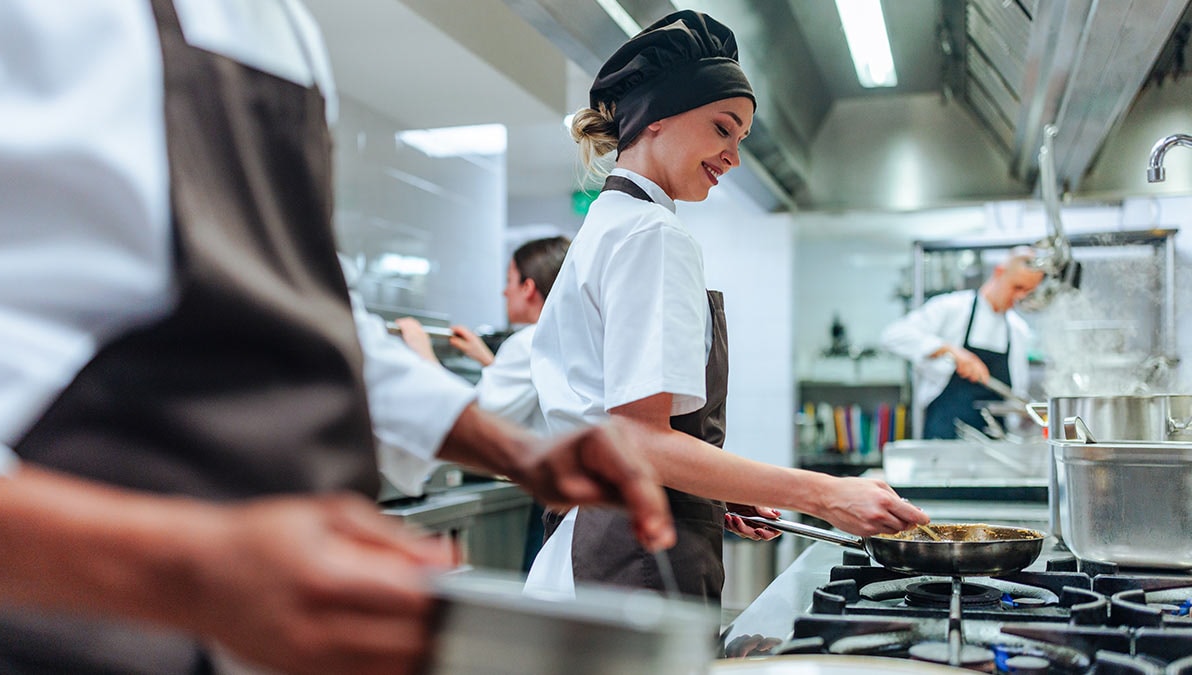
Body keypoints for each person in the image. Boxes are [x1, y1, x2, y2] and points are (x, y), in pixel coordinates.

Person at [0, 3, 673, 674]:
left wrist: (523, 449)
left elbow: (330, 324)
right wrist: (191, 563)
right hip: (53, 621)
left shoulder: (286, 31)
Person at [524, 9, 929, 603]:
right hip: (629, 561)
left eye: (740, 138)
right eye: (722, 127)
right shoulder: (651, 235)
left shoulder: (609, 225)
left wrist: (713, 487)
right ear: (656, 117)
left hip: (596, 549)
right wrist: (825, 493)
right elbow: (641, 440)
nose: (733, 156)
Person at [395, 237, 570, 568]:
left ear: (528, 288)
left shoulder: (526, 342)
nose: (504, 292)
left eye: (509, 281)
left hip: (551, 495)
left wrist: (421, 350)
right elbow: (536, 392)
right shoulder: (560, 334)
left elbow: (476, 415)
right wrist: (488, 360)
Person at [881, 246, 1045, 439]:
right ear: (999, 272)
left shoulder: (1018, 330)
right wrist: (950, 351)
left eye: (1027, 291)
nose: (1020, 297)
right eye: (1017, 287)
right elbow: (892, 335)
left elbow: (1016, 392)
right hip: (943, 438)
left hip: (995, 448)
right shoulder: (952, 308)